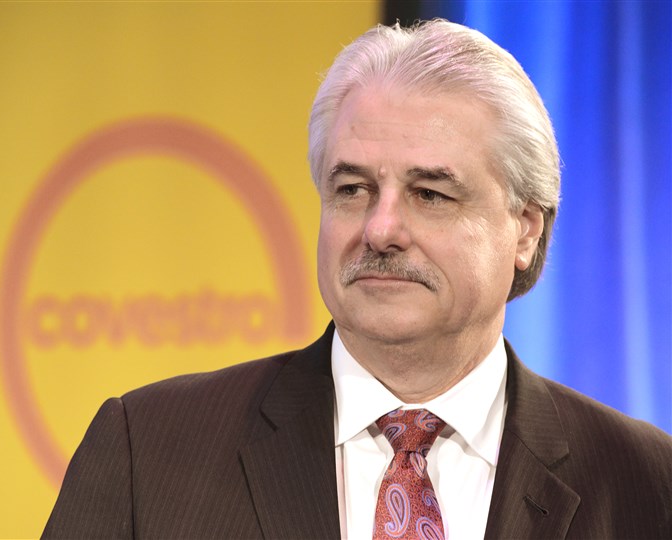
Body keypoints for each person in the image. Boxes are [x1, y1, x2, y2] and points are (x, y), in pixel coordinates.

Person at [43, 20, 671, 539]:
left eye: (430, 193)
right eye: (352, 189)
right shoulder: (147, 450)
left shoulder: (647, 483)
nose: (380, 228)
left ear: (525, 230)